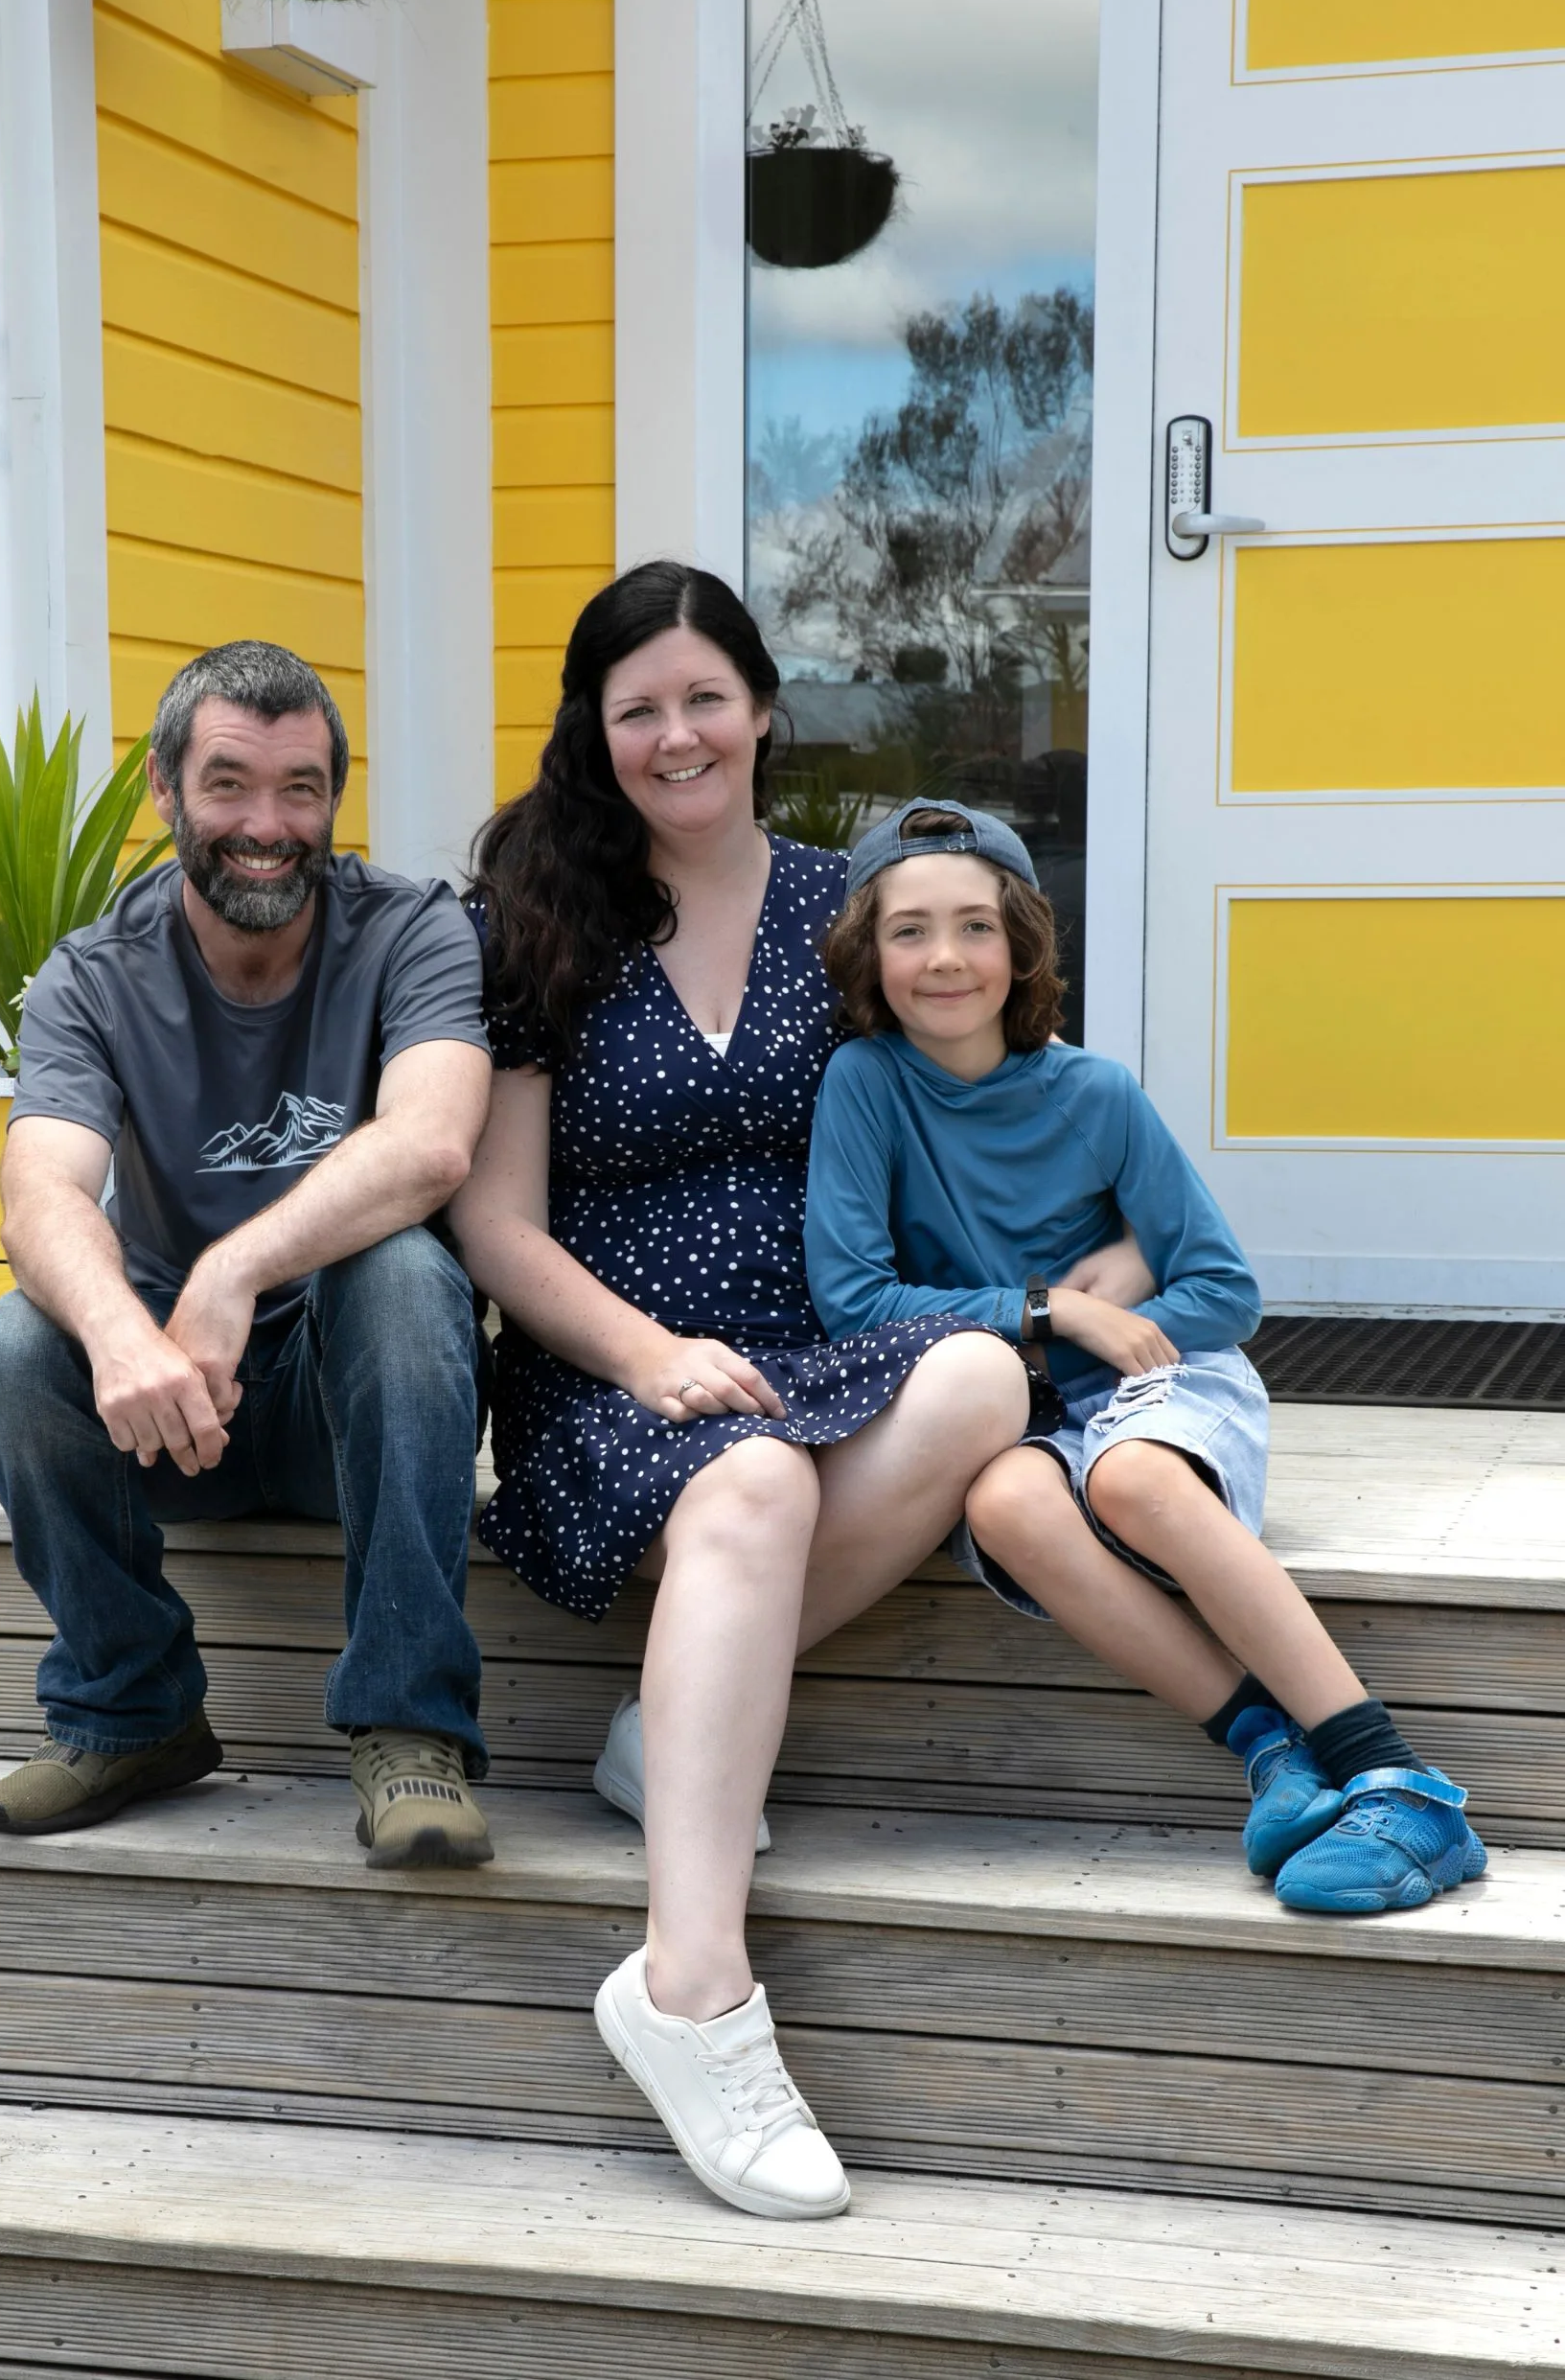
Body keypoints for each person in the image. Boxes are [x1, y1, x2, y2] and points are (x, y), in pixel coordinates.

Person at [447, 564, 1095, 2221]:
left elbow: (982, 1116)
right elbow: (496, 1224)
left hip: (817, 1341)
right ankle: (694, 1998)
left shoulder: (844, 906)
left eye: (703, 697)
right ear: (599, 733)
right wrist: (648, 1355)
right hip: (618, 1369)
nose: (677, 734)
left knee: (973, 1377)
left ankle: (674, 1729)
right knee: (756, 1480)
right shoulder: (544, 918)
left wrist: (1110, 1262)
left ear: (761, 707)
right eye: (638, 707)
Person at [805, 797, 1488, 1917]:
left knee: (1127, 1477)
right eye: (909, 929)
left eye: (977, 926)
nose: (945, 958)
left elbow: (1224, 1286)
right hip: (1025, 1398)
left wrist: (1116, 1306)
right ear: (866, 953)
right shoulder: (866, 1086)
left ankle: (1400, 1780)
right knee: (1006, 1503)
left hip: (1156, 1385)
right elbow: (855, 1302)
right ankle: (1274, 1753)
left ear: (1022, 940)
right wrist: (1057, 1309)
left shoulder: (1096, 1092)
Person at [0, 639, 496, 1869]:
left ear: (334, 801)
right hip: (163, 1409)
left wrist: (228, 1272)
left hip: (338, 1402)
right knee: (8, 1345)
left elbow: (431, 1146)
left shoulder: (411, 932)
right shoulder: (92, 976)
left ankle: (411, 1727)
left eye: (300, 788)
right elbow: (39, 1191)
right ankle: (130, 1707)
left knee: (407, 1272)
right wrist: (122, 1335)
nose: (268, 824)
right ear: (164, 788)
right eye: (231, 784)